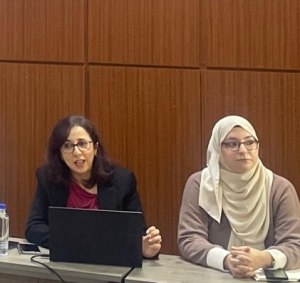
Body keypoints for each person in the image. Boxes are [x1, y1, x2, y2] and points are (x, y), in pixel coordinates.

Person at [178, 115, 300, 277]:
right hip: (215, 276)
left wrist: (264, 258)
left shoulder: (280, 188)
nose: (243, 150)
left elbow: (295, 245)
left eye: (249, 142)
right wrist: (227, 260)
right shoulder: (200, 184)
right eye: (232, 144)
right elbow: (189, 239)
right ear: (217, 148)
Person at [25, 115, 162, 257]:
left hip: (109, 264)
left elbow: (137, 233)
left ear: (95, 148)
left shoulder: (122, 181)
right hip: (64, 263)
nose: (76, 152)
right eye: (67, 146)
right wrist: (78, 242)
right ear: (60, 154)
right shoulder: (48, 179)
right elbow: (34, 227)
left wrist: (145, 249)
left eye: (82, 144)